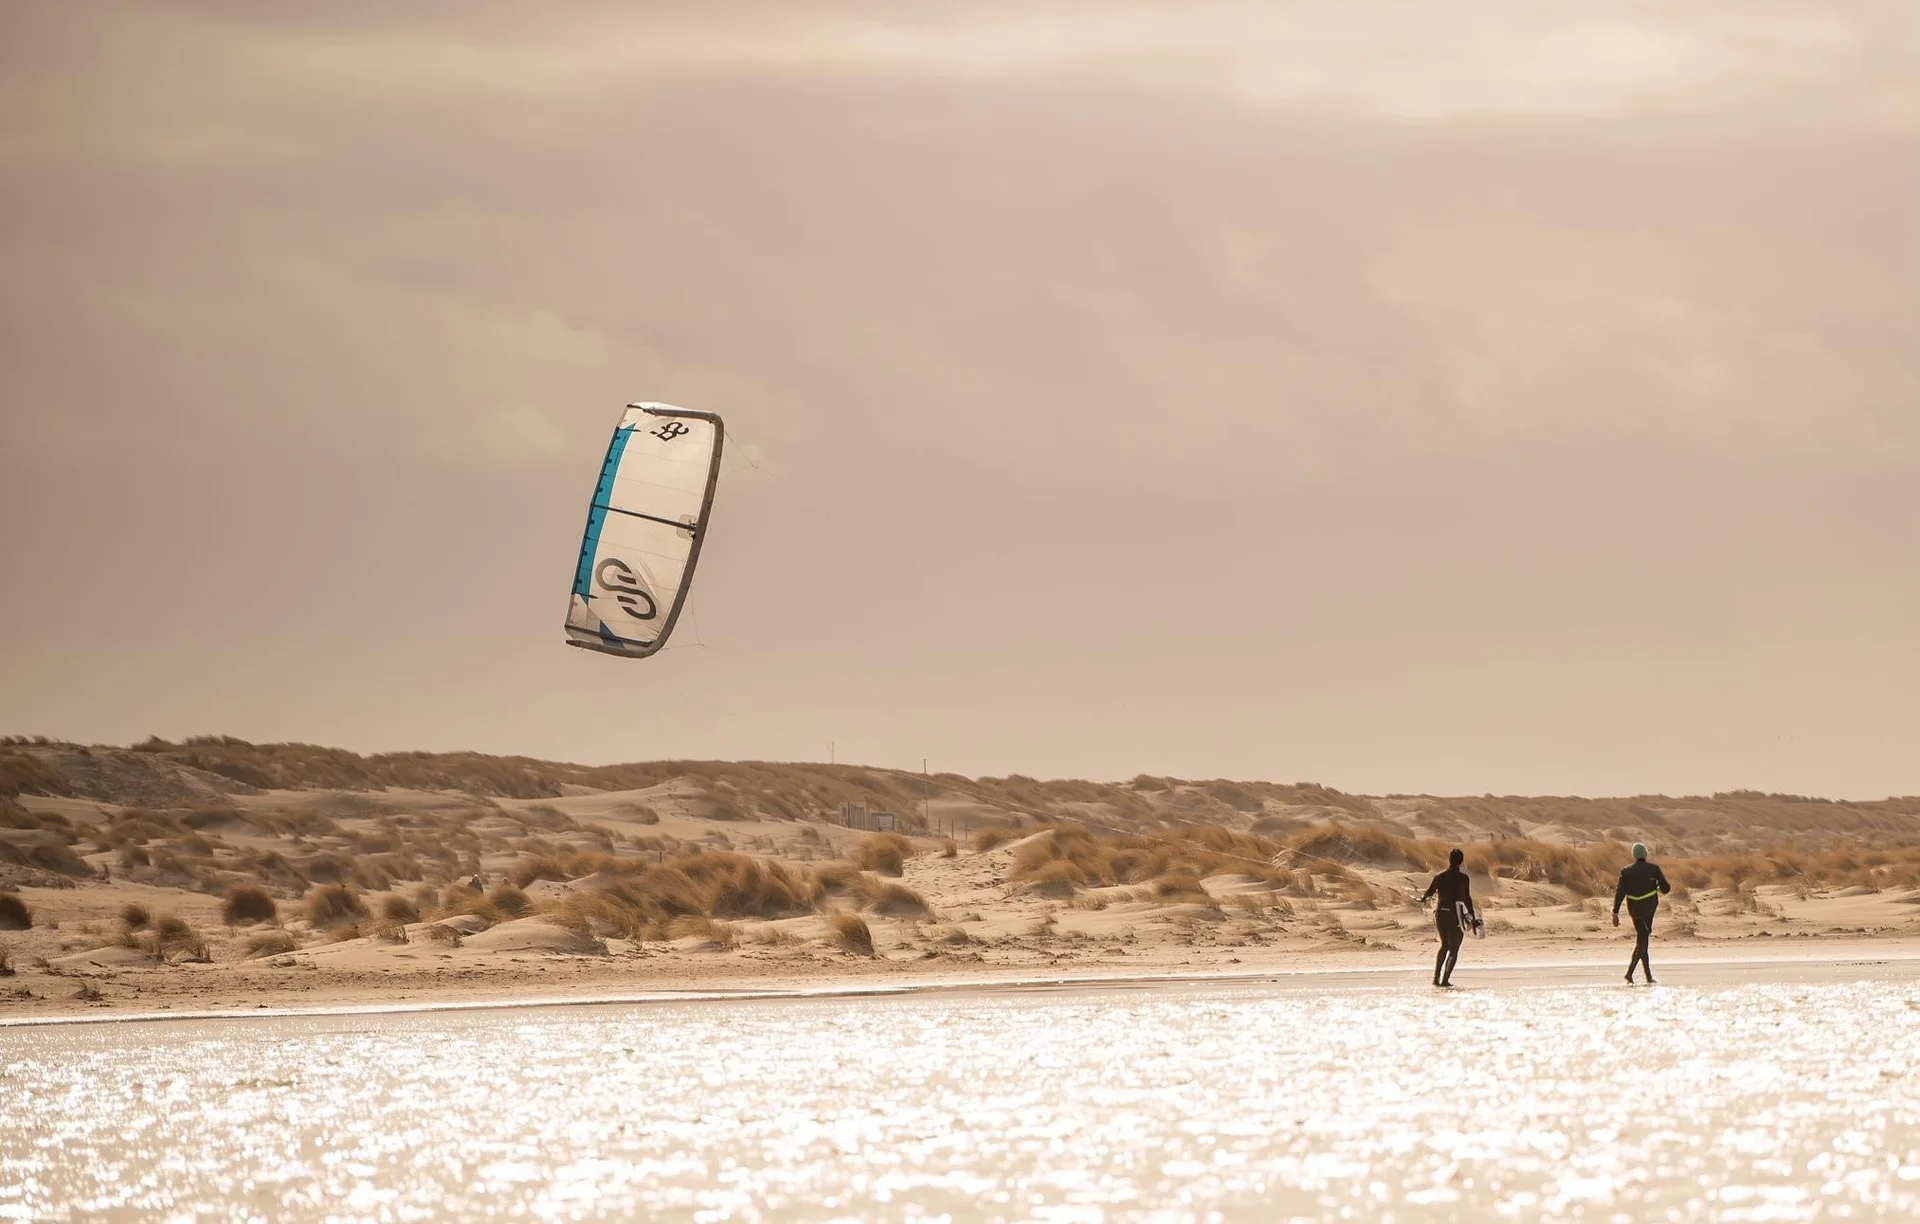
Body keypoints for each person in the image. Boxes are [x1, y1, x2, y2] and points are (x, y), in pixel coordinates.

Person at [1613, 842, 1672, 983]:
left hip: (1634, 910)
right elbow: (1666, 888)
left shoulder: (1626, 871)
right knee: (1643, 939)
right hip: (1648, 909)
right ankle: (1630, 973)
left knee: (1643, 938)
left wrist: (1615, 912)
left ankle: (1647, 977)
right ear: (1645, 854)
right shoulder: (1654, 869)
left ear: (1634, 855)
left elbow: (1620, 893)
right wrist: (1657, 885)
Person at [1421, 848, 1476, 987]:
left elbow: (1429, 892)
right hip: (1454, 915)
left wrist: (1423, 898)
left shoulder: (1439, 876)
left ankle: (1435, 978)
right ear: (1461, 862)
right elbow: (1465, 897)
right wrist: (1472, 916)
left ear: (1449, 860)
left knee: (1444, 945)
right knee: (1454, 948)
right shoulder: (1463, 878)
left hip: (1441, 914)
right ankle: (1445, 979)